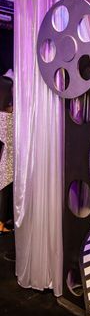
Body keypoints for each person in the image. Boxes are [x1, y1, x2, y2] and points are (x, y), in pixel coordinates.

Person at [0, 69, 14, 235]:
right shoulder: (8, 82)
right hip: (8, 128)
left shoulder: (7, 81)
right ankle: (2, 221)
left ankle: (4, 220)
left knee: (6, 176)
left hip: (6, 130)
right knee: (5, 177)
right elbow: (8, 108)